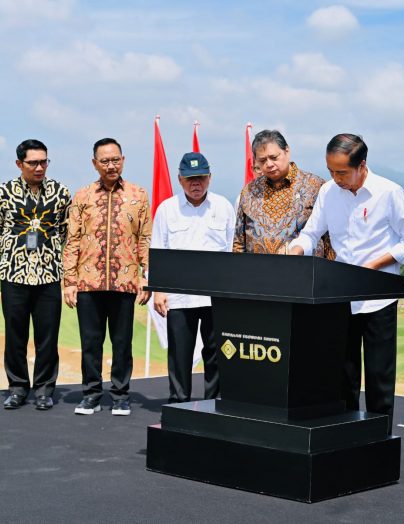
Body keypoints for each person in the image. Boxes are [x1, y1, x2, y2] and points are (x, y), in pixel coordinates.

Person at [288, 133, 404, 434]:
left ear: (362, 166)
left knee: (379, 378)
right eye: (331, 171)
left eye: (342, 172)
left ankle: (379, 440)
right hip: (340, 296)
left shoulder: (389, 192)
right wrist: (296, 249)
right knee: (342, 375)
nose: (336, 178)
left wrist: (372, 266)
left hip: (378, 298)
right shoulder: (328, 192)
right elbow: (311, 234)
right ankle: (344, 437)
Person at [63, 138, 151, 416]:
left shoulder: (138, 195)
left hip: (125, 282)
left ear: (123, 160)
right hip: (89, 282)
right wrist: (69, 281)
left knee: (122, 342)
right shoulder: (82, 196)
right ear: (94, 163)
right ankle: (91, 394)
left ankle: (121, 395)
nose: (111, 165)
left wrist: (147, 277)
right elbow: (72, 239)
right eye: (105, 161)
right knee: (90, 342)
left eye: (116, 159)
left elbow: (145, 240)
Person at [0, 139, 70, 410]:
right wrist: (13, 251)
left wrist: (51, 252)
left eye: (44, 161)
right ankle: (17, 387)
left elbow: (66, 230)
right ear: (19, 163)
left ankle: (44, 389)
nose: (39, 167)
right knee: (15, 334)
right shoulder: (3, 192)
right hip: (14, 274)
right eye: (33, 162)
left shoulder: (60, 192)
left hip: (49, 274)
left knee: (48, 335)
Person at [151, 152, 235, 403]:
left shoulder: (223, 207)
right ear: (179, 179)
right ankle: (179, 402)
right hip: (180, 295)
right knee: (180, 354)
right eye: (190, 179)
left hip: (215, 294)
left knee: (216, 353)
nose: (195, 184)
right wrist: (158, 290)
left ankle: (214, 404)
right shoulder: (167, 209)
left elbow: (232, 250)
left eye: (200, 178)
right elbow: (158, 251)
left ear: (210, 178)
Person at [233, 129, 333, 258]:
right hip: (258, 274)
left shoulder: (315, 186)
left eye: (274, 158)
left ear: (287, 151)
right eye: (262, 161)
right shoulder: (249, 191)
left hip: (306, 273)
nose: (269, 164)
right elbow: (239, 243)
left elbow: (330, 238)